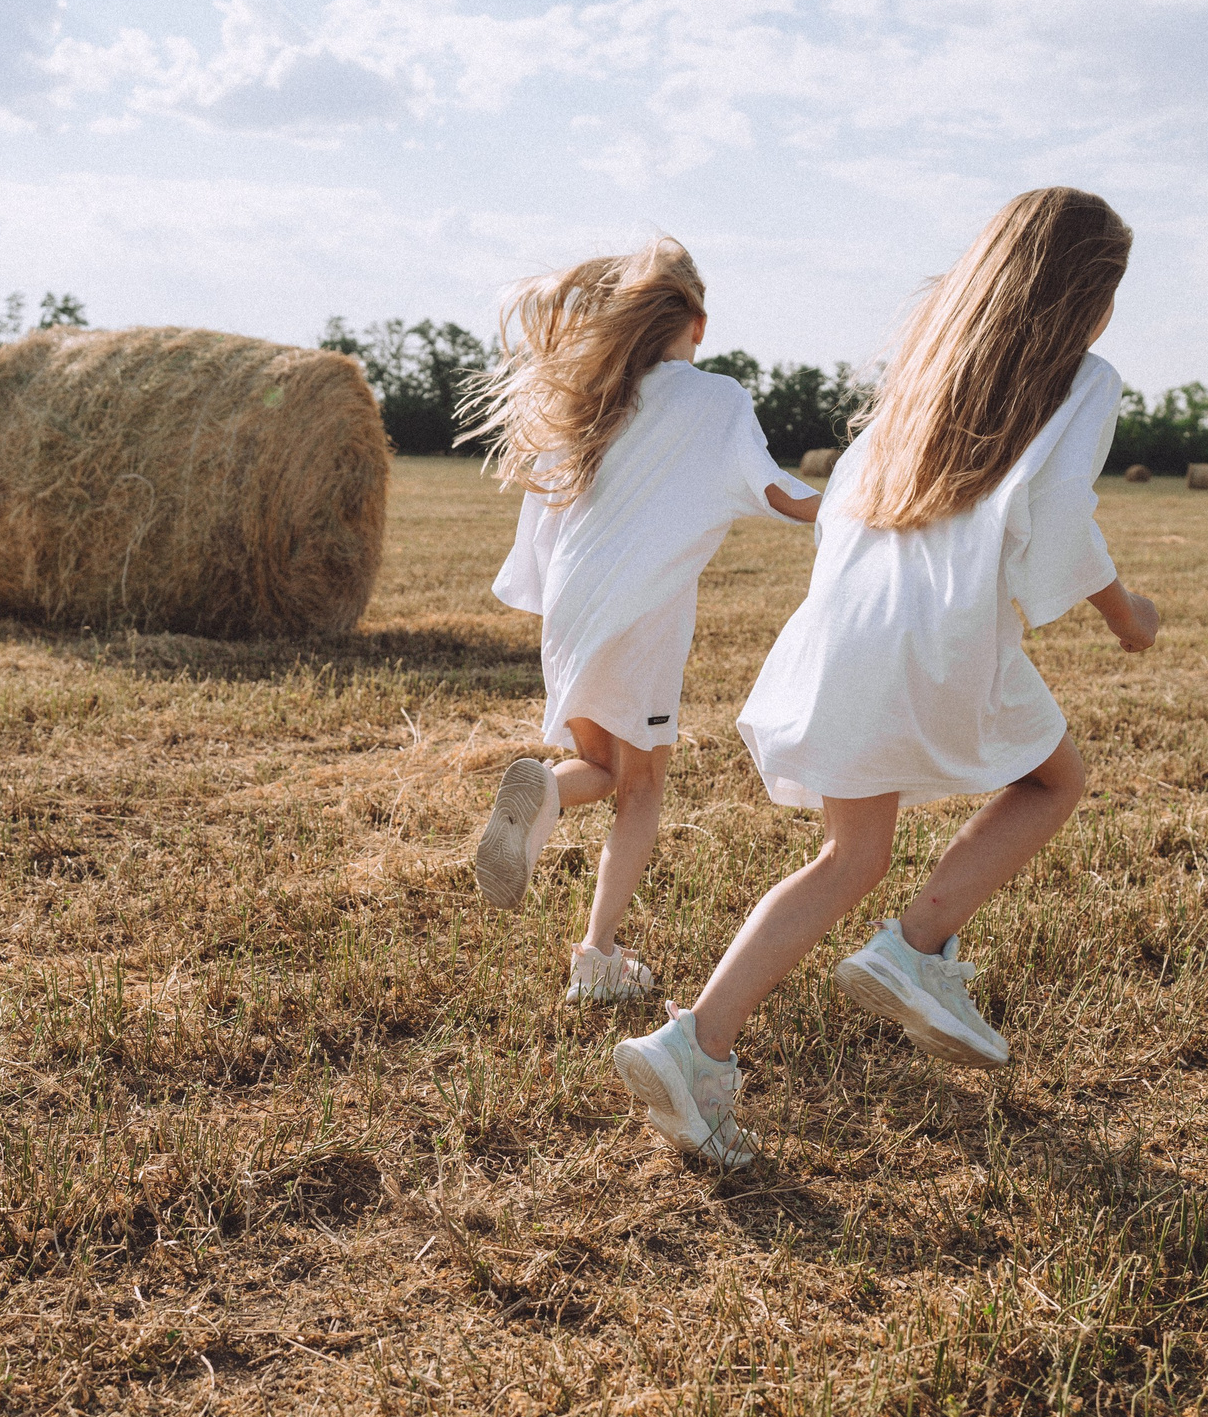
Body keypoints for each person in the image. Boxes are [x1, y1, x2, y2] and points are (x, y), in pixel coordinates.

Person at [611, 187, 1160, 1166]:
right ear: (1088, 293)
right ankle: (914, 949)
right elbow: (1065, 516)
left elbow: (844, 511)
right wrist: (1125, 612)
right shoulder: (1085, 378)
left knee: (847, 857)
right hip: (938, 634)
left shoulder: (925, 373)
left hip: (844, 625)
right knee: (1053, 780)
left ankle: (693, 1045)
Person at [464, 236, 819, 1004]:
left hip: (571, 611)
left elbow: (547, 523)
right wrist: (858, 510)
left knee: (603, 767)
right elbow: (777, 491)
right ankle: (595, 954)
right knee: (644, 785)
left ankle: (549, 795)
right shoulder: (717, 397)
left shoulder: (595, 397)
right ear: (697, 322)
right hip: (643, 614)